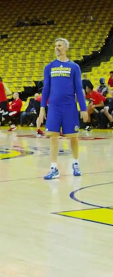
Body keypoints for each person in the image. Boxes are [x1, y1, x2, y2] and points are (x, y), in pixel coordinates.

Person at [38, 38, 89, 180]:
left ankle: (75, 163)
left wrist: (83, 108)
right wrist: (42, 109)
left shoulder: (74, 67)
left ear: (66, 47)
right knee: (53, 137)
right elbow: (46, 89)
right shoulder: (49, 67)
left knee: (73, 136)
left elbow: (78, 89)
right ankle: (54, 168)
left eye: (59, 46)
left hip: (70, 107)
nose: (57, 48)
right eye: (55, 46)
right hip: (53, 107)